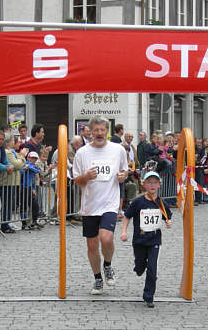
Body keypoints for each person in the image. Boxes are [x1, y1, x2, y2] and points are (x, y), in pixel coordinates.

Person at [73, 115, 128, 295]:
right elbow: (76, 180)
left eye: (102, 130)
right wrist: (86, 177)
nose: (99, 133)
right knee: (91, 245)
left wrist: (123, 176)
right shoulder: (82, 153)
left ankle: (108, 265)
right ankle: (97, 278)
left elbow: (124, 171)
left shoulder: (117, 150)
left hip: (110, 203)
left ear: (107, 131)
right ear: (90, 132)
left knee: (106, 238)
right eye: (95, 130)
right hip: (90, 205)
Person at [120, 171, 172, 308]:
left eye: (155, 182)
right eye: (149, 182)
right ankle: (138, 267)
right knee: (140, 267)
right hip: (139, 240)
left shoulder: (162, 203)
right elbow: (127, 216)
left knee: (152, 269)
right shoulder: (138, 202)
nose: (152, 185)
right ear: (144, 185)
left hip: (154, 240)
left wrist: (168, 222)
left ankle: (149, 296)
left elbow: (168, 217)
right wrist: (124, 232)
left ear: (159, 185)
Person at [20, 151, 41, 229]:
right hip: (23, 187)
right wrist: (28, 167)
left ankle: (34, 221)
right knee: (24, 205)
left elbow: (37, 171)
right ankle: (24, 223)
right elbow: (21, 172)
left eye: (35, 158)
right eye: (32, 158)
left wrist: (33, 188)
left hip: (29, 187)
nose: (34, 159)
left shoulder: (31, 165)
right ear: (28, 157)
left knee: (34, 205)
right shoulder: (25, 164)